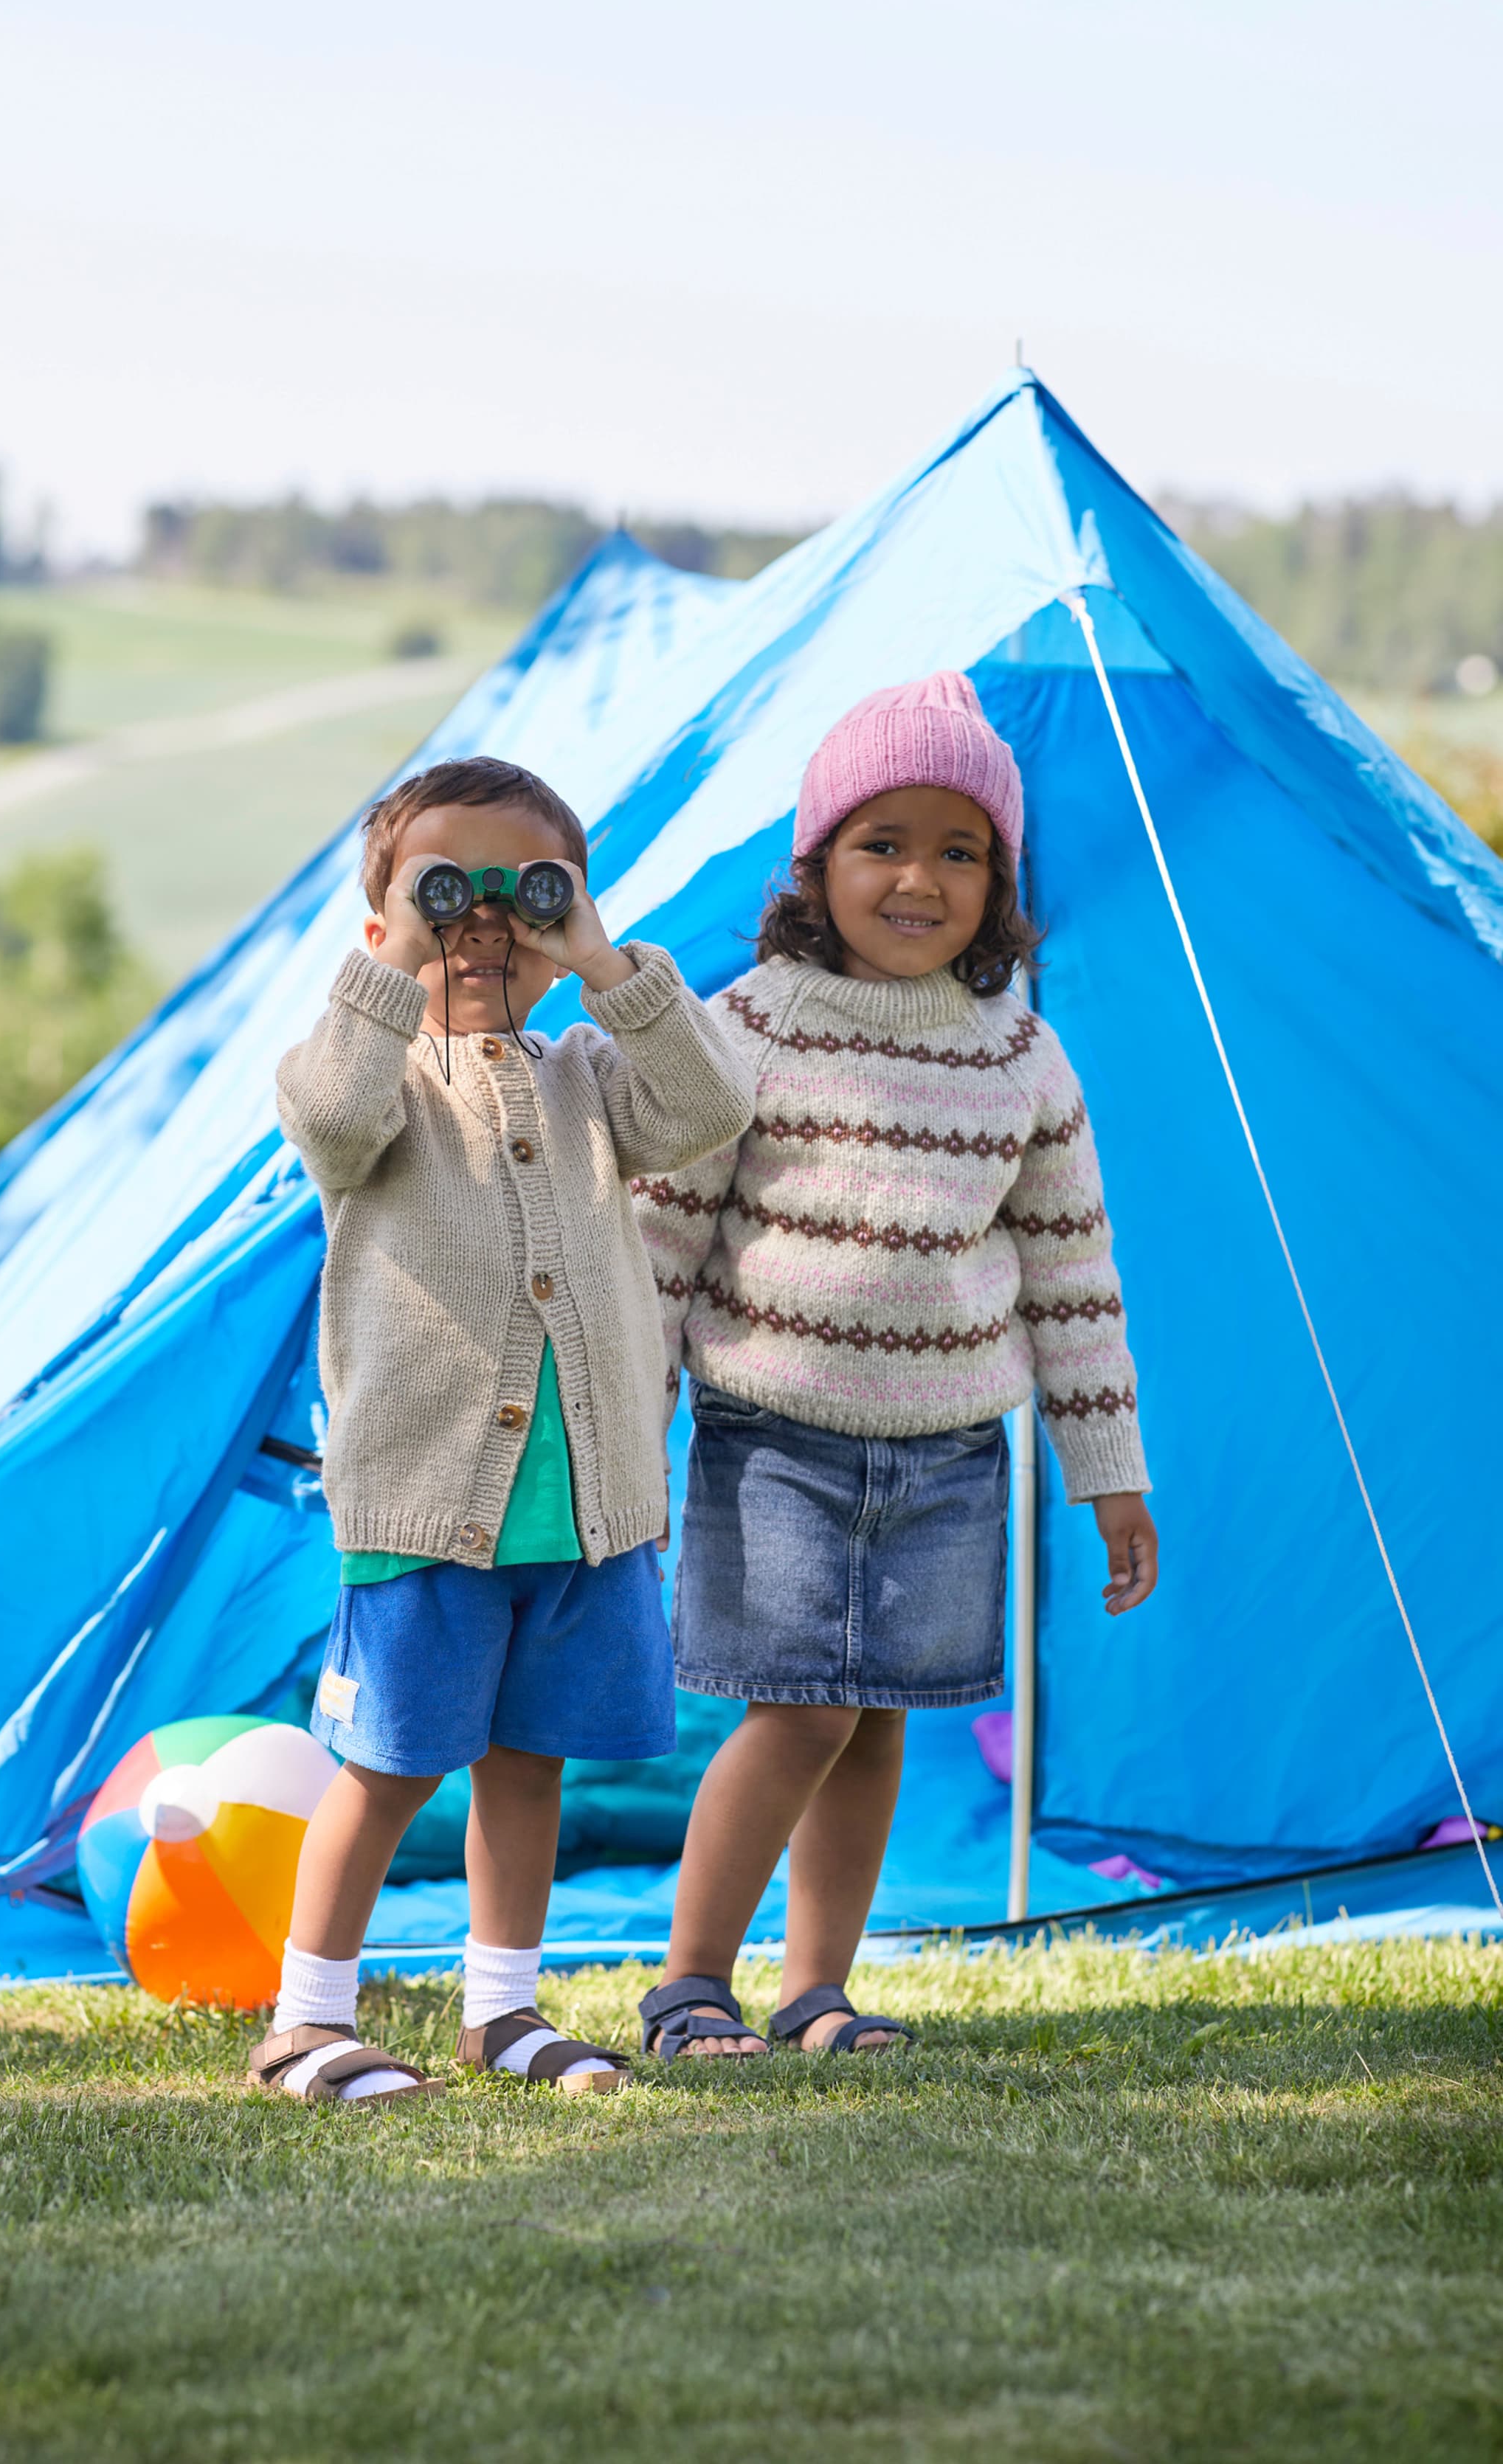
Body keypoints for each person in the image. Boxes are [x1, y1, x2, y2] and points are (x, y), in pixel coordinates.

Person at [632, 673, 1160, 2063]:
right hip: (777, 1438)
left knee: (877, 1724)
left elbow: (1074, 1280)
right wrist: (633, 1426)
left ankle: (817, 1991)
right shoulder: (751, 1026)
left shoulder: (1022, 1058)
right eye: (883, 844)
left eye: (959, 851)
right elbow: (662, 1243)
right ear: (817, 866)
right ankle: (690, 1986)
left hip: (951, 1455)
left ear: (1001, 883)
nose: (920, 879)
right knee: (801, 1710)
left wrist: (1109, 1475)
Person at [253, 755, 754, 2106]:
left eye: (518, 895)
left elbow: (711, 1107)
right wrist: (393, 965)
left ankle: (502, 2012)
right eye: (444, 892)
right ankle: (305, 2019)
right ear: (384, 924)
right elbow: (328, 1121)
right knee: (389, 1767)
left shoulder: (587, 1074)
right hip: (425, 1499)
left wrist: (597, 958)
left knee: (529, 1765)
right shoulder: (375, 1077)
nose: (481, 923)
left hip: (581, 1507)